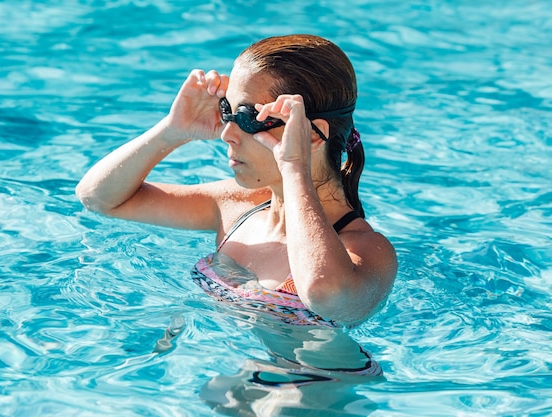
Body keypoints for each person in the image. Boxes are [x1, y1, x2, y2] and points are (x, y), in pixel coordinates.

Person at [76, 34, 397, 378]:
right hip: (224, 377)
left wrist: (294, 167)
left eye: (246, 117)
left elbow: (324, 292)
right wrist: (172, 131)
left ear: (313, 135)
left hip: (307, 392)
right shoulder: (238, 207)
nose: (227, 133)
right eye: (226, 110)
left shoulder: (366, 250)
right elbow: (98, 198)